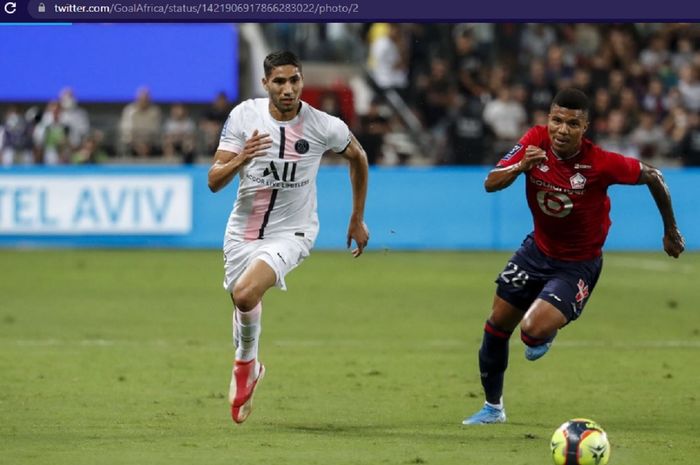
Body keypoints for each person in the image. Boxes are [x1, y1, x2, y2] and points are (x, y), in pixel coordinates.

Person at [463, 88, 685, 425]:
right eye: (556, 120)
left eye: (572, 123)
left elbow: (654, 175)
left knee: (531, 331)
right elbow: (490, 183)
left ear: (585, 128)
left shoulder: (600, 163)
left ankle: (545, 329)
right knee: (496, 325)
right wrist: (522, 165)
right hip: (536, 250)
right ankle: (493, 408)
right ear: (547, 120)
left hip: (577, 264)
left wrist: (670, 230)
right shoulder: (534, 141)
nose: (562, 129)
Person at [207, 51, 370, 424]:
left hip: (292, 231)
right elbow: (214, 181)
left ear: (301, 81)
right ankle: (251, 365)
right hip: (242, 233)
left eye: (294, 80)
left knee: (247, 293)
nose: (288, 89)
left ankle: (244, 365)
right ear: (265, 84)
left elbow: (358, 156)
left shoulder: (322, 125)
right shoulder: (244, 116)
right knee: (241, 299)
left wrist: (357, 217)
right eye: (279, 81)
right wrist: (241, 158)